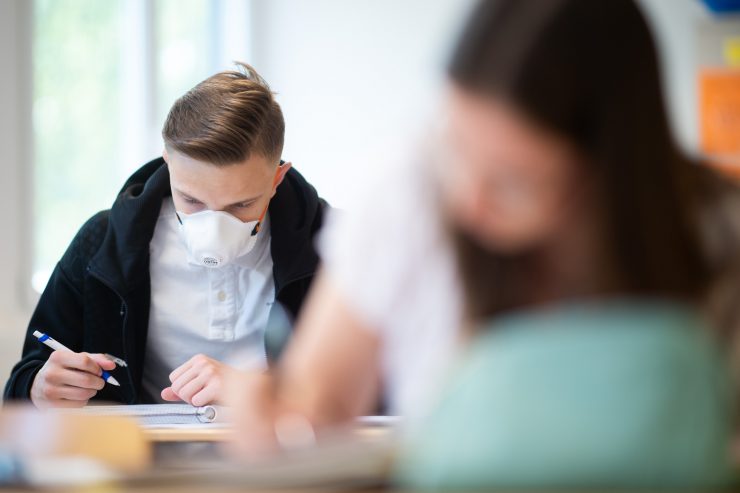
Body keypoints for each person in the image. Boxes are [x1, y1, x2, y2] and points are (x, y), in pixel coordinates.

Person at [227, 0, 740, 484]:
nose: (469, 200)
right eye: (456, 147)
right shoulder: (410, 195)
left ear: (608, 170)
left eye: (511, 180)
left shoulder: (716, 227)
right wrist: (276, 417)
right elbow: (320, 401)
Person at [5, 63, 329, 409]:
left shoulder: (334, 244)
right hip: (140, 461)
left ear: (277, 179)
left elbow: (382, 389)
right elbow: (19, 389)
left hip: (287, 461)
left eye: (241, 204)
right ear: (168, 163)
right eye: (191, 200)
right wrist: (39, 387)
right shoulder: (102, 244)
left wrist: (260, 390)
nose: (215, 225)